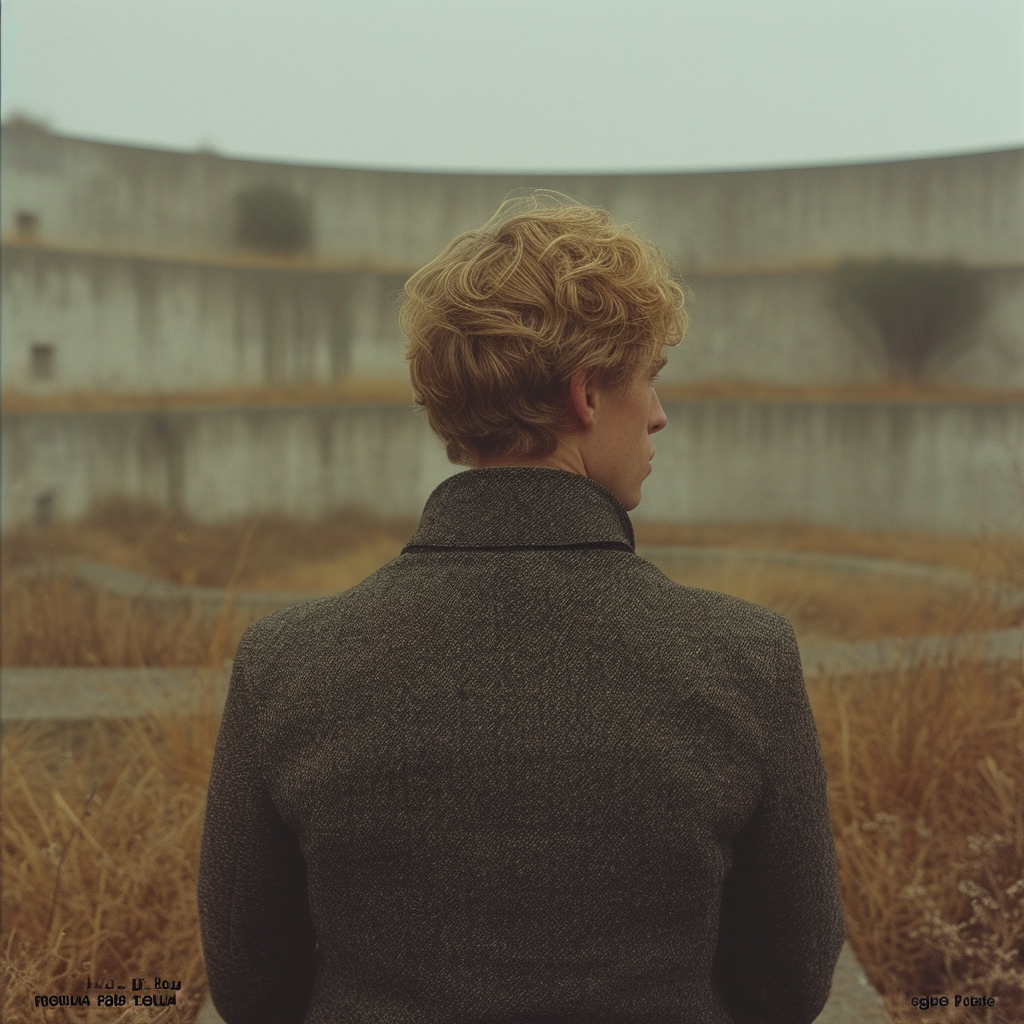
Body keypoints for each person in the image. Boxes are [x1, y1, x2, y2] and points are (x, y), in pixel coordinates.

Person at [198, 193, 845, 1024]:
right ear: (586, 396)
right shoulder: (744, 657)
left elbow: (251, 988)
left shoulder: (286, 662)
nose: (658, 414)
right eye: (648, 377)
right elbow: (788, 982)